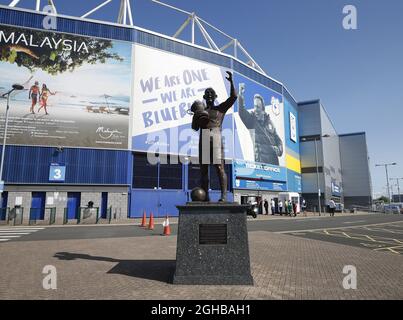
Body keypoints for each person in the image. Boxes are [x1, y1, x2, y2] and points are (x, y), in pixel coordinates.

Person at [191, 71, 237, 202]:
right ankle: (206, 197)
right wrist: (196, 116)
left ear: (215, 96)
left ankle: (223, 196)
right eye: (207, 94)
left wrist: (231, 82)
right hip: (204, 138)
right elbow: (194, 128)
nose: (210, 95)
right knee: (204, 171)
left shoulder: (220, 109)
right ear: (204, 97)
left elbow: (233, 97)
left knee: (219, 167)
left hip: (216, 137)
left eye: (212, 93)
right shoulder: (201, 111)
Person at [238, 83, 284, 165]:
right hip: (261, 165)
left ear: (263, 109)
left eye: (257, 107)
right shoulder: (251, 120)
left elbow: (278, 140)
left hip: (274, 165)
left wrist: (279, 149)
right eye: (254, 106)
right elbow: (241, 112)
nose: (255, 109)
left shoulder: (269, 122)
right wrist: (241, 95)